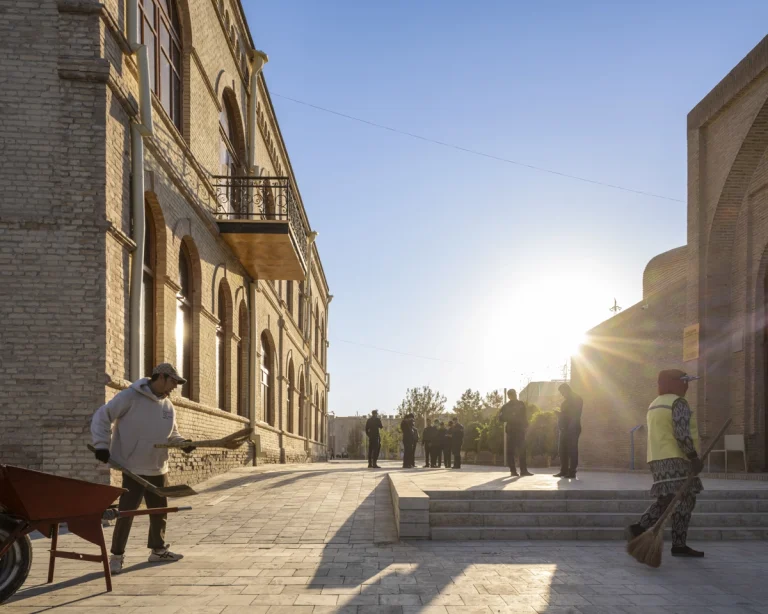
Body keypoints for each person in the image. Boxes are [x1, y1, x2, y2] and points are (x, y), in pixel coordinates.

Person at [91, 363, 196, 575]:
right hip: (133, 467)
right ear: (161, 377)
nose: (174, 387)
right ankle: (117, 556)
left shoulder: (168, 406)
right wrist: (101, 444)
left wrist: (183, 443)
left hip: (158, 466)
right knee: (126, 512)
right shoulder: (130, 396)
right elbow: (103, 415)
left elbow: (172, 434)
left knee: (160, 512)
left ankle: (157, 550)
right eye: (173, 382)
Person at [626, 369, 705, 558]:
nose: (687, 386)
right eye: (684, 382)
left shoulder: (655, 404)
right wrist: (693, 457)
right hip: (677, 459)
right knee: (686, 500)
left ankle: (638, 528)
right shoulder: (678, 403)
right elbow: (681, 433)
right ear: (676, 383)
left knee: (667, 498)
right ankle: (678, 544)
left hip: (657, 458)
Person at [500, 390, 532, 477]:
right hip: (511, 430)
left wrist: (526, 426)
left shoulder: (521, 404)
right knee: (511, 451)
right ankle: (513, 470)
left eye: (514, 394)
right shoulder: (506, 406)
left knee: (522, 450)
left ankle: (523, 470)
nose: (513, 396)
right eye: (511, 395)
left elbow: (525, 416)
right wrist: (510, 417)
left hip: (520, 430)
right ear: (509, 396)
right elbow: (501, 418)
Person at [555, 383, 583, 478]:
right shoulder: (565, 402)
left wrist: (571, 427)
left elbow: (576, 415)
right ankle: (564, 470)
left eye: (562, 392)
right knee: (562, 450)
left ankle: (572, 472)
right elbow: (565, 415)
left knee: (572, 450)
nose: (562, 394)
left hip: (572, 428)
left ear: (566, 390)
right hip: (563, 429)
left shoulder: (577, 399)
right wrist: (559, 414)